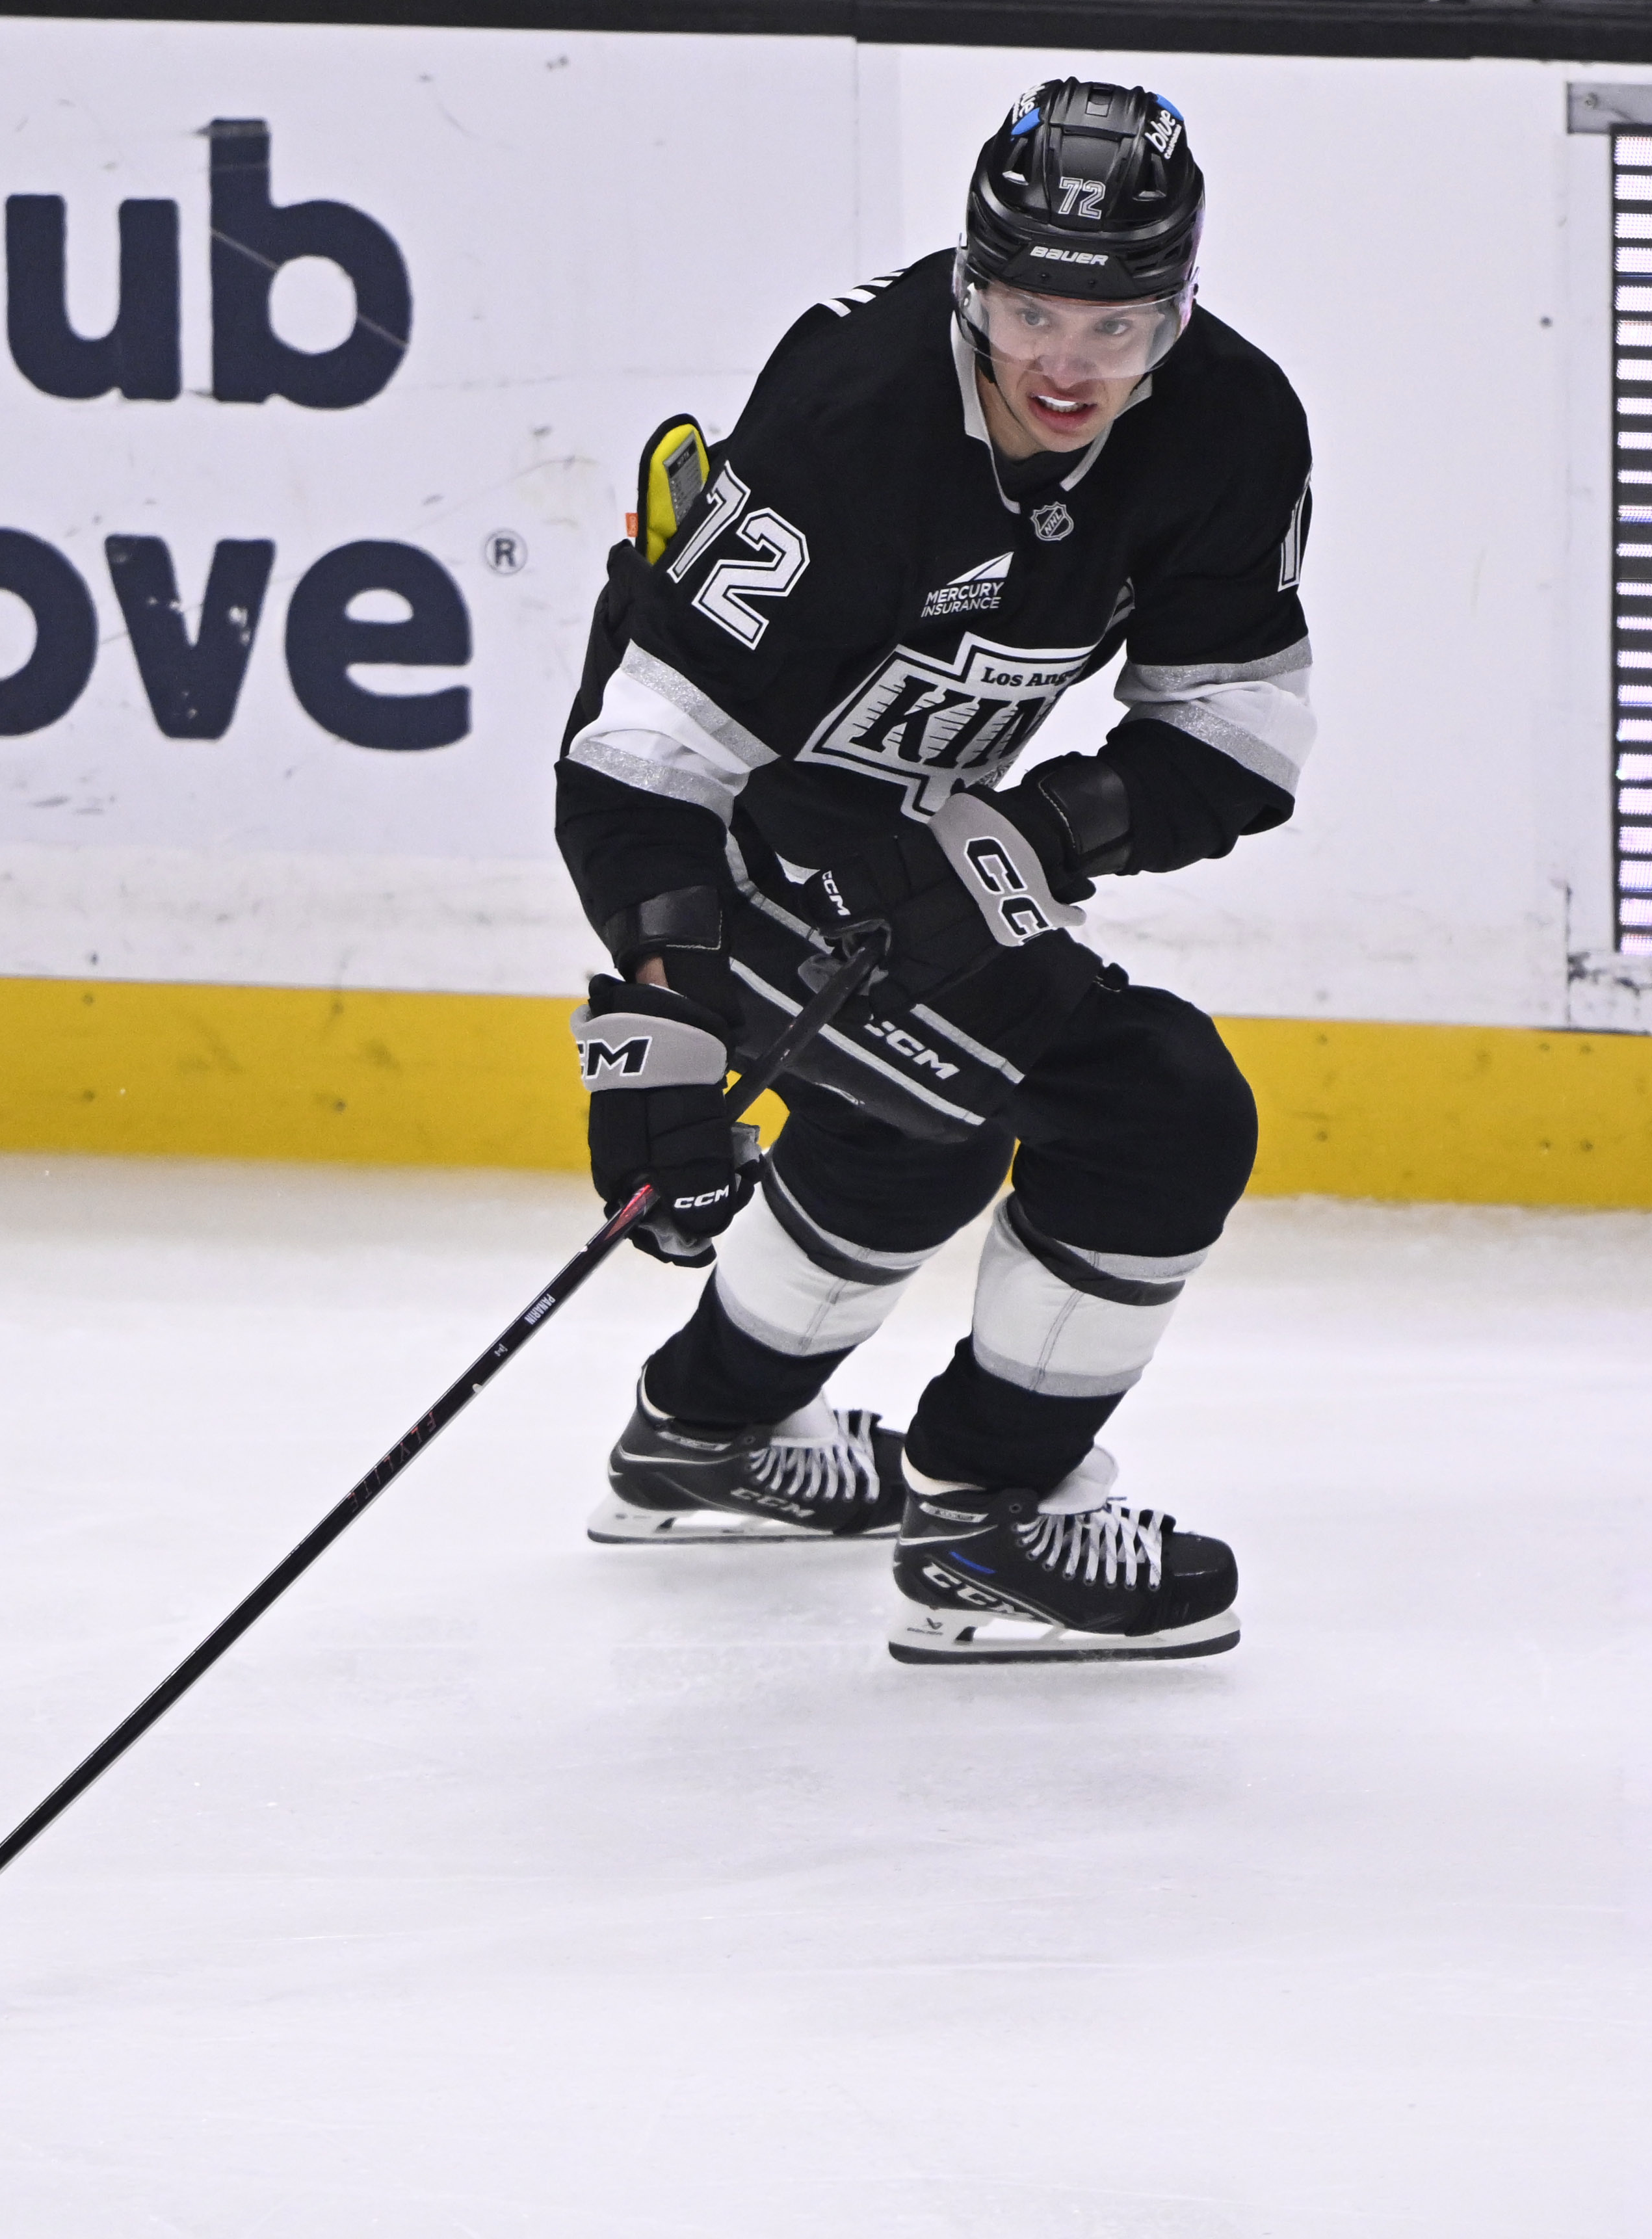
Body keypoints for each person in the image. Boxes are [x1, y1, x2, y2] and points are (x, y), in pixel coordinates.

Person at [555, 80, 1314, 1664]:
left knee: (914, 1128)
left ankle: (701, 1440)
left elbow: (1236, 733)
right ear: (970, 280)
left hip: (917, 832)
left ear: (1177, 307)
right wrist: (664, 1024)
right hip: (731, 820)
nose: (1063, 363)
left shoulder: (1233, 423)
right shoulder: (857, 416)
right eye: (1030, 308)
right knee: (1153, 1108)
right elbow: (644, 764)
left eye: (1112, 326)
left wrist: (1037, 835)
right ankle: (984, 1517)